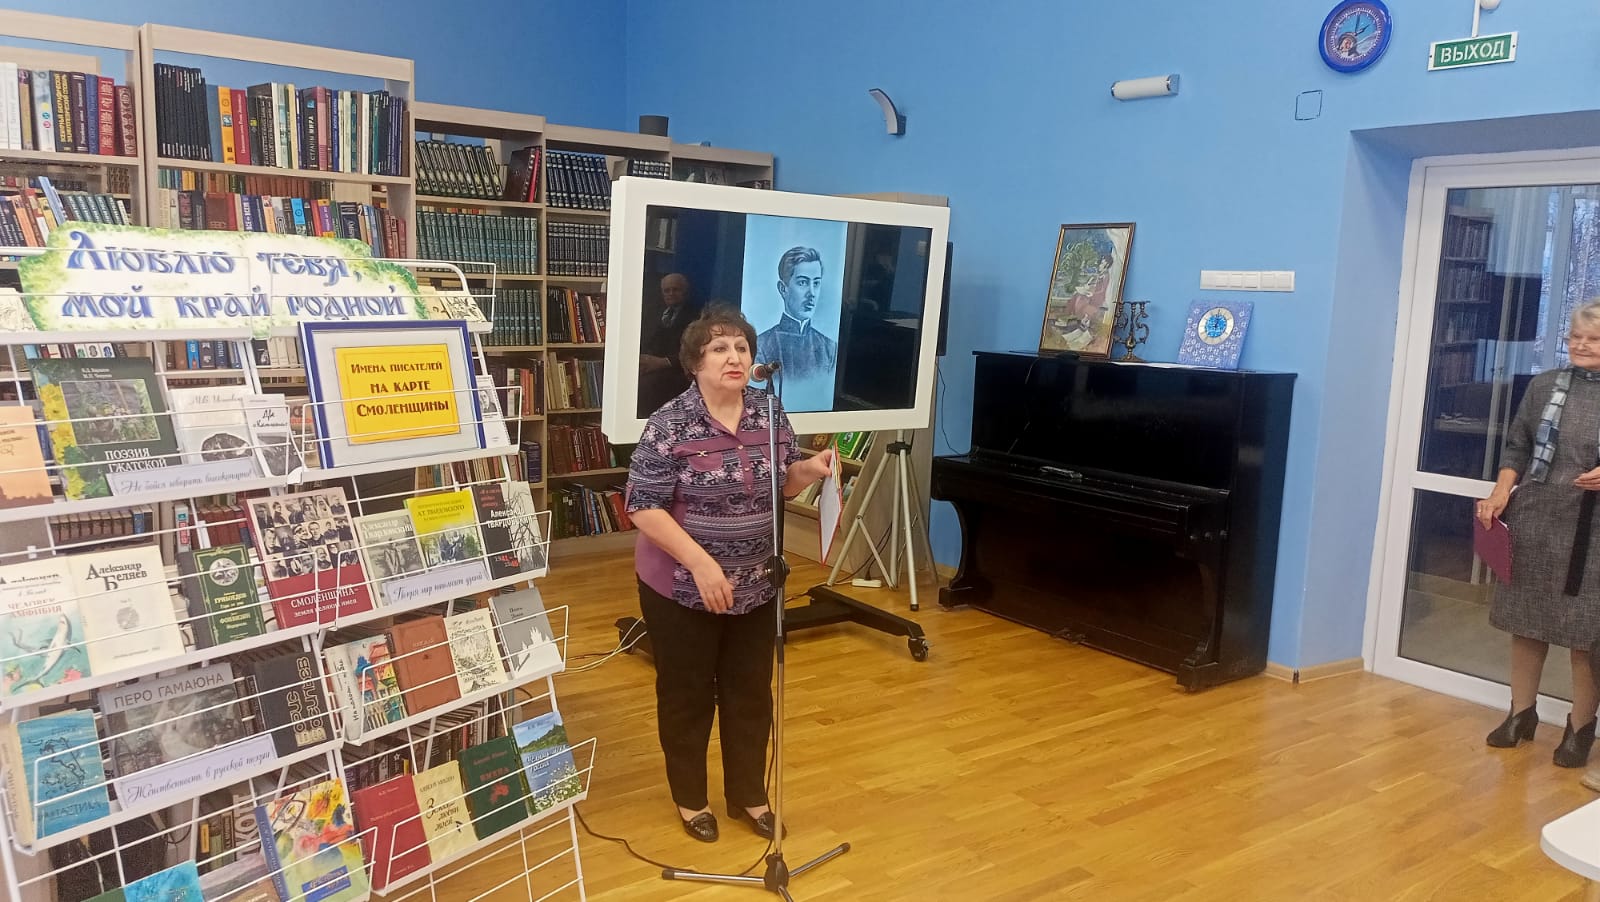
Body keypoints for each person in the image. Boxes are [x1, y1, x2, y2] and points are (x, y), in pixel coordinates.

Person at [624, 305, 835, 843]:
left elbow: (781, 482)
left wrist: (808, 471)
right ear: (695, 362)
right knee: (688, 695)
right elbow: (642, 506)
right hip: (680, 586)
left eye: (741, 347)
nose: (734, 356)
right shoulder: (669, 423)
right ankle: (690, 800)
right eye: (719, 348)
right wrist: (701, 564)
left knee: (750, 693)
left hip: (757, 582)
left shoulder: (769, 412)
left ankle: (748, 795)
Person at [1478, 300, 1600, 773]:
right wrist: (1499, 493)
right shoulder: (1544, 385)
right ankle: (1520, 714)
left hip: (1591, 531)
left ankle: (1580, 728)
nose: (1581, 345)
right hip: (1536, 519)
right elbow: (1519, 446)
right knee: (1526, 623)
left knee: (1584, 635)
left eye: (1593, 338)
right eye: (1575, 337)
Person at [754, 247, 838, 412]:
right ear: (783, 289)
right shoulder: (761, 345)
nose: (812, 293)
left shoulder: (829, 348)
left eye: (816, 283)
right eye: (803, 282)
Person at [638, 273, 700, 417]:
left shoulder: (696, 316)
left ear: (685, 292)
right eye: (667, 290)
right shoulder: (653, 314)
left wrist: (664, 362)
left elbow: (695, 351)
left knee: (646, 385)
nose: (671, 293)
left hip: (678, 371)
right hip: (650, 365)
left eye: (675, 289)